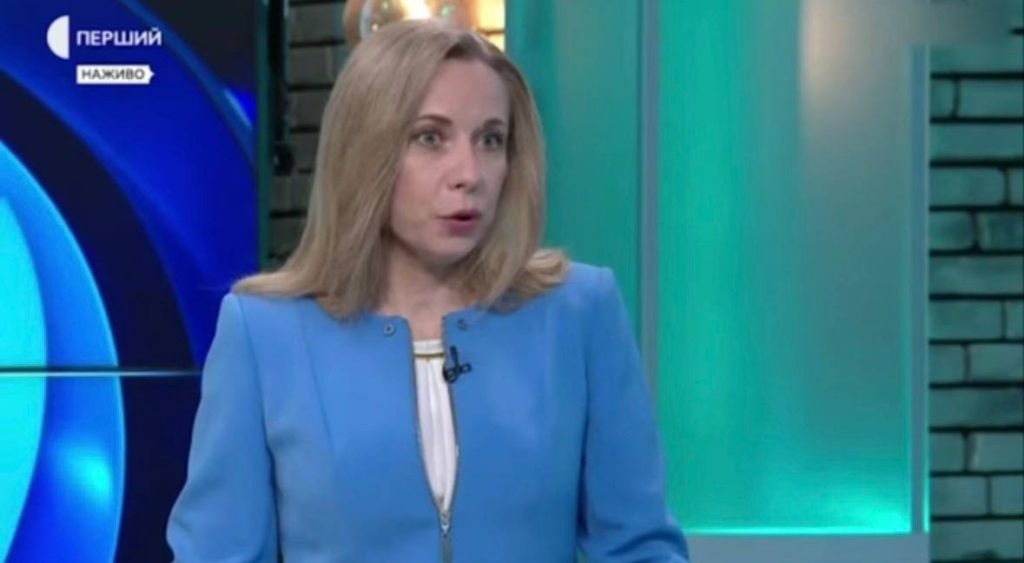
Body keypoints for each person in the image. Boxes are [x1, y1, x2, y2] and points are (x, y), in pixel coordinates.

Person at [166, 18, 688, 563]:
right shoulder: (264, 332)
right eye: (430, 138)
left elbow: (639, 548)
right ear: (365, 154)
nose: (470, 174)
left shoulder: (578, 313)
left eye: (491, 140)